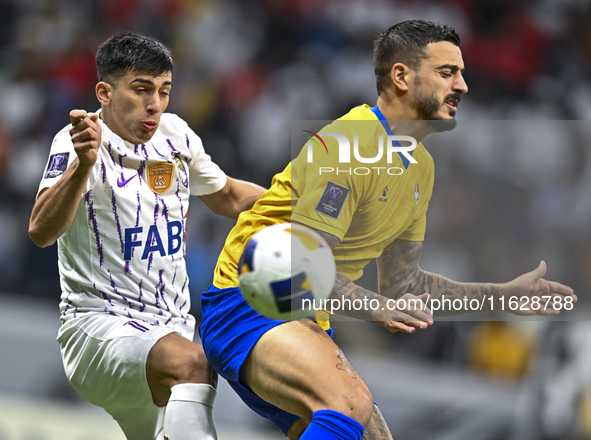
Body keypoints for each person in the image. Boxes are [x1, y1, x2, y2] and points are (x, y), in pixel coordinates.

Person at [198, 20, 577, 440]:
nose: (464, 86)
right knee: (350, 405)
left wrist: (501, 295)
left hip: (302, 318)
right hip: (249, 301)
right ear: (401, 76)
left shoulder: (421, 168)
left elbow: (403, 284)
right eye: (447, 72)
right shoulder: (347, 144)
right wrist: (374, 308)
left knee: (372, 435)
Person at [28, 32, 265, 440]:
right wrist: (82, 168)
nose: (154, 104)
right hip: (99, 330)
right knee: (194, 364)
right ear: (105, 92)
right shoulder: (78, 141)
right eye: (141, 90)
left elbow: (227, 195)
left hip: (167, 330)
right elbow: (40, 232)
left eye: (164, 91)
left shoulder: (176, 136)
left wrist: (303, 206)